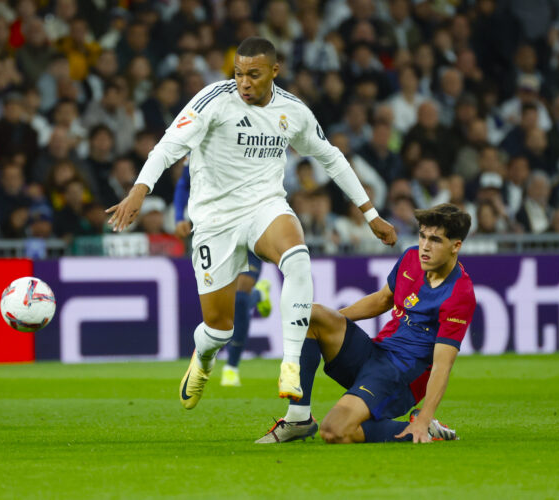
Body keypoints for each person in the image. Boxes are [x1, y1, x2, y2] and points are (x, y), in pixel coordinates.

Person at [106, 37, 397, 409]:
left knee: (298, 258)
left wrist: (370, 214)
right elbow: (167, 147)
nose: (244, 82)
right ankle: (205, 357)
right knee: (219, 329)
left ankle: (290, 363)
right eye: (239, 73)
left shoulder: (293, 111)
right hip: (214, 219)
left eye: (254, 74)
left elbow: (331, 157)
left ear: (275, 71)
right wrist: (138, 191)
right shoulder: (213, 100)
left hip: (264, 206)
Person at [256, 204, 475, 444]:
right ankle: (299, 418)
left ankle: (423, 428)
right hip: (375, 353)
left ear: (456, 246)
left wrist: (425, 416)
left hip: (398, 376)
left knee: (334, 430)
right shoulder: (411, 257)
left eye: (435, 240)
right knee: (312, 315)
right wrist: (334, 323)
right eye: (422, 235)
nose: (425, 246)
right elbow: (382, 300)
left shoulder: (459, 294)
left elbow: (442, 365)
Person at [173, 164, 273, 387]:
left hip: (251, 225)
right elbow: (183, 183)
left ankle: (232, 366)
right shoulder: (201, 143)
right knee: (226, 304)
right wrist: (179, 216)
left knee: (239, 296)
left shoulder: (251, 139)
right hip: (217, 229)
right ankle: (258, 295)